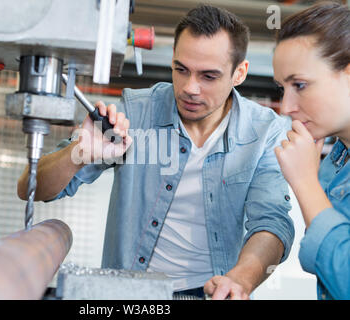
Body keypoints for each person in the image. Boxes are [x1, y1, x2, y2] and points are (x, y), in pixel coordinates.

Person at [18, 5, 294, 300]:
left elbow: (271, 221)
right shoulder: (136, 113)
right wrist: (79, 152)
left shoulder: (265, 132)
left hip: (212, 293)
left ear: (239, 73)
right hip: (128, 295)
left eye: (209, 76)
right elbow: (31, 189)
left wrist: (239, 280)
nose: (190, 88)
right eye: (181, 69)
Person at [273, 2, 349, 300]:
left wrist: (305, 182)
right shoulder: (336, 161)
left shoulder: (316, 170)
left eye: (300, 85)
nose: (287, 107)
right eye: (283, 88)